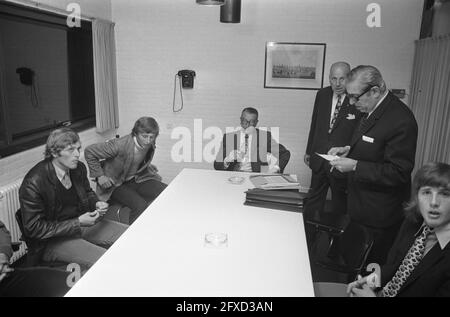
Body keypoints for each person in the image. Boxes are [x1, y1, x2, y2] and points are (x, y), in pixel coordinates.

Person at [328, 65, 418, 265]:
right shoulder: (369, 107)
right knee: (352, 264)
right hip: (359, 207)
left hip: (379, 216)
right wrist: (348, 149)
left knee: (369, 273)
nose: (351, 103)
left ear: (375, 91)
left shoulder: (401, 120)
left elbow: (399, 172)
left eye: (355, 97)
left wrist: (355, 166)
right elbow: (371, 144)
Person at [19, 128, 128, 268]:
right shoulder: (33, 182)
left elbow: (87, 192)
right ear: (53, 153)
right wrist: (77, 222)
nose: (77, 154)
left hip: (80, 224)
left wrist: (97, 203)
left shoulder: (78, 168)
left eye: (78, 149)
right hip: (52, 240)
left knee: (130, 235)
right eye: (70, 150)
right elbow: (33, 229)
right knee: (107, 261)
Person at [347, 162, 450, 297]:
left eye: (445, 194)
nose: (434, 202)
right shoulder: (412, 223)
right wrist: (370, 282)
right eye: (426, 192)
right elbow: (392, 266)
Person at [85, 117, 167, 225]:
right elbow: (89, 152)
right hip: (115, 185)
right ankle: (133, 237)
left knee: (166, 192)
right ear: (136, 133)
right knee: (140, 205)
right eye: (144, 136)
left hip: (136, 179)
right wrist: (100, 176)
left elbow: (132, 159)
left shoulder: (150, 143)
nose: (148, 141)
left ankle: (160, 224)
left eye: (151, 137)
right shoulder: (119, 145)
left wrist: (147, 166)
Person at [304, 62, 361, 216]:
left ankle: (334, 238)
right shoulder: (322, 94)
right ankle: (309, 235)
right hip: (319, 157)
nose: (337, 83)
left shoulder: (357, 98)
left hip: (341, 162)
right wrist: (309, 150)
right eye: (333, 79)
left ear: (349, 78)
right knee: (313, 203)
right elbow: (315, 123)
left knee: (340, 205)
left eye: (342, 79)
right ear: (329, 78)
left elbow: (359, 133)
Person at [0, 220, 70, 297]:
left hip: (3, 276)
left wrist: (2, 255)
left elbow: (1, 229)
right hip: (50, 242)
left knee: (64, 281)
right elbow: (33, 228)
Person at [214, 107, 290, 173]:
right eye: (245, 121)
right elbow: (216, 165)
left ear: (256, 122)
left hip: (253, 176)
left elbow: (285, 154)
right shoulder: (229, 137)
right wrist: (226, 160)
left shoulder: (264, 137)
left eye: (252, 122)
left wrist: (276, 168)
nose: (247, 125)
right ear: (240, 120)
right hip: (232, 176)